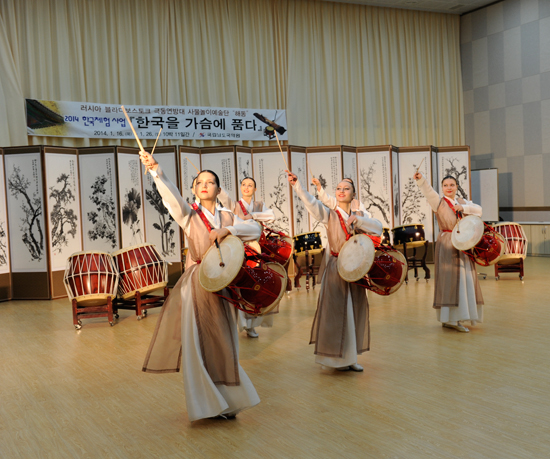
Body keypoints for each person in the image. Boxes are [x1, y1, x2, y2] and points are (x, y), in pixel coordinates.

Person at [138, 152, 262, 422]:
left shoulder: (228, 216)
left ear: (218, 189)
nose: (204, 185)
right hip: (197, 282)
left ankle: (229, 401)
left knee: (226, 342)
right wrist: (157, 172)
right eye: (199, 182)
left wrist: (228, 231)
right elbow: (170, 197)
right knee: (199, 342)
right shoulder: (188, 214)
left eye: (210, 182)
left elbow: (256, 231)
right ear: (194, 190)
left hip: (226, 281)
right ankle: (207, 404)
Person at [286, 171, 382, 372]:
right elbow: (312, 203)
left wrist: (359, 220)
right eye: (338, 188)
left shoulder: (360, 216)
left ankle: (351, 356)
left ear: (353, 195)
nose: (341, 191)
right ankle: (333, 358)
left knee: (354, 310)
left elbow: (378, 228)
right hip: (336, 267)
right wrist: (298, 187)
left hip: (356, 268)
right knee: (336, 311)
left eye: (346, 188)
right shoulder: (330, 213)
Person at [412, 171, 484, 332]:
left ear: (457, 187)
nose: (449, 188)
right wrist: (421, 180)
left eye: (452, 185)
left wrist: (463, 207)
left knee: (464, 279)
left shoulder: (461, 201)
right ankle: (450, 319)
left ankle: (457, 317)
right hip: (448, 243)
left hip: (464, 242)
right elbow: (428, 191)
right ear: (442, 188)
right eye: (445, 185)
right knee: (450, 279)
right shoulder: (438, 202)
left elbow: (479, 210)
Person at [233, 176, 276, 340]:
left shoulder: (259, 205)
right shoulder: (235, 205)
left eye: (250, 185)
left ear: (255, 189)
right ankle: (241, 323)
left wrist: (251, 216)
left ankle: (251, 326)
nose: (246, 187)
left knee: (255, 285)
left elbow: (270, 216)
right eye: (243, 184)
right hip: (240, 249)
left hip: (257, 249)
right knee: (241, 285)